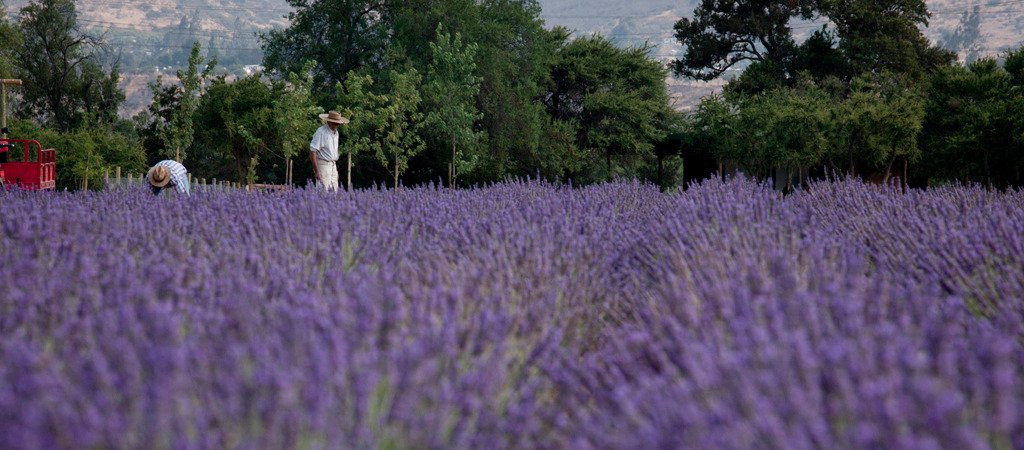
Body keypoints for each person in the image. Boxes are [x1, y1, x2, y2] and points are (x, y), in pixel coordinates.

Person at [309, 110, 349, 191]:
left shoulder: (336, 133)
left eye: (338, 123)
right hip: (323, 165)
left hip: (333, 165)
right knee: (323, 191)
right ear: (329, 122)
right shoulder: (321, 132)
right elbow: (312, 151)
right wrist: (316, 171)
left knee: (335, 191)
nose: (336, 125)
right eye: (335, 123)